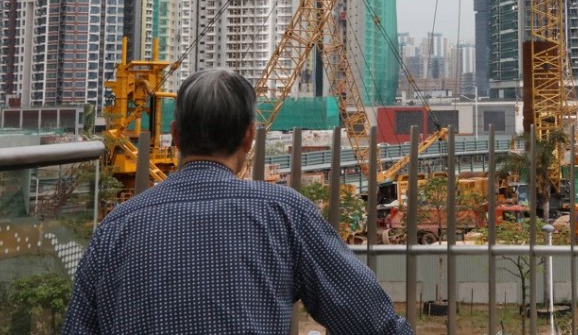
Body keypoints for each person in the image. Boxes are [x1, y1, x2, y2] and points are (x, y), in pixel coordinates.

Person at [64, 68, 412, 335]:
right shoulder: (285, 213)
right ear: (249, 136)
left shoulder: (115, 226)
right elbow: (373, 321)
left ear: (178, 135)